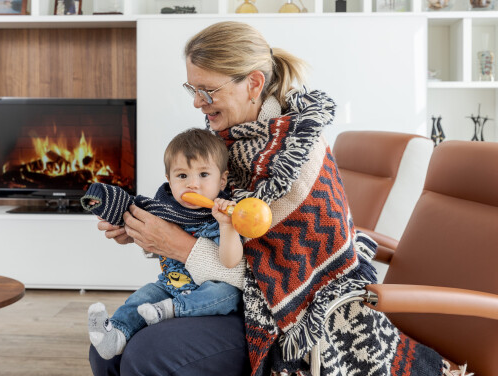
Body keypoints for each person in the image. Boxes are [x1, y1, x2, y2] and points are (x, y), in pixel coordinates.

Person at [90, 21, 459, 376]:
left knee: (147, 353)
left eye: (208, 91)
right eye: (193, 90)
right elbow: (207, 227)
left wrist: (180, 247)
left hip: (288, 316)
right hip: (220, 291)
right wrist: (146, 232)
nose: (198, 103)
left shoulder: (294, 157)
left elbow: (282, 278)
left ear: (253, 83)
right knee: (106, 349)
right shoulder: (229, 141)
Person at [81, 128, 245, 360]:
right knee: (142, 296)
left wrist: (227, 226)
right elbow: (129, 205)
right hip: (171, 284)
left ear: (222, 180)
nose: (192, 184)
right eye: (182, 176)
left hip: (209, 289)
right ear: (169, 180)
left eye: (203, 174)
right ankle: (115, 334)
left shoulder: (224, 213)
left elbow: (230, 262)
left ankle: (171, 310)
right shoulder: (164, 207)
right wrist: (101, 200)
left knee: (226, 293)